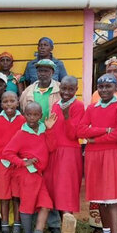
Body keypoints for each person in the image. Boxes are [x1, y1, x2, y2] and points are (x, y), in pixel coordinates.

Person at [76, 74, 117, 233]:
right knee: (100, 198)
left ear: (115, 87)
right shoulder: (92, 107)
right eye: (100, 86)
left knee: (111, 199)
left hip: (111, 155)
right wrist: (105, 130)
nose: (104, 90)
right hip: (93, 156)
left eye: (108, 86)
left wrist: (94, 139)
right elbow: (80, 131)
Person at [2, 103, 55, 233]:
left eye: (35, 115)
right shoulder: (21, 133)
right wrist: (23, 162)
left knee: (45, 204)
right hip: (26, 174)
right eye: (29, 114)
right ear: (24, 115)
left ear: (40, 116)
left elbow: (51, 147)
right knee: (27, 205)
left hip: (38, 175)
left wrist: (49, 130)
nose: (32, 118)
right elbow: (7, 153)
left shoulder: (44, 130)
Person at [43, 76, 84, 215]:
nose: (66, 92)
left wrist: (67, 117)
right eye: (63, 88)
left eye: (70, 89)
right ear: (59, 88)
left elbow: (74, 135)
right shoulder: (56, 104)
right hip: (55, 150)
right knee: (55, 190)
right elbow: (53, 129)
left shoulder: (78, 106)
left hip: (69, 153)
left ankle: (67, 231)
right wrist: (48, 130)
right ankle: (60, 227)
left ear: (76, 90)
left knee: (66, 191)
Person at [0, 91, 26, 233]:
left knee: (17, 196)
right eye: (5, 102)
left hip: (18, 164)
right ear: (1, 104)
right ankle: (4, 228)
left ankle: (16, 228)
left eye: (12, 101)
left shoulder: (23, 120)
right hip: (1, 164)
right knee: (3, 197)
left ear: (18, 102)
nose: (9, 105)